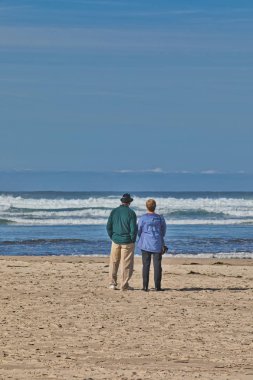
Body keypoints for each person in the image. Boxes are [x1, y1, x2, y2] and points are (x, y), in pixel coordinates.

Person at [107, 193, 137, 291]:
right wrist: (132, 239)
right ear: (129, 202)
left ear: (121, 201)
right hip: (127, 241)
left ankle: (112, 283)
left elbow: (108, 227)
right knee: (126, 263)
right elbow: (133, 229)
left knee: (114, 262)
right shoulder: (131, 213)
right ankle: (124, 285)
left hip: (115, 240)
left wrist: (112, 236)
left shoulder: (114, 211)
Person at [137, 199, 166, 291]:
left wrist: (142, 236)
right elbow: (163, 231)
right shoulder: (160, 218)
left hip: (145, 243)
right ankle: (158, 286)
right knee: (157, 265)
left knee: (146, 265)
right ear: (155, 207)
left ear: (146, 207)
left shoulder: (143, 218)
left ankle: (145, 287)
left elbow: (139, 230)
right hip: (157, 243)